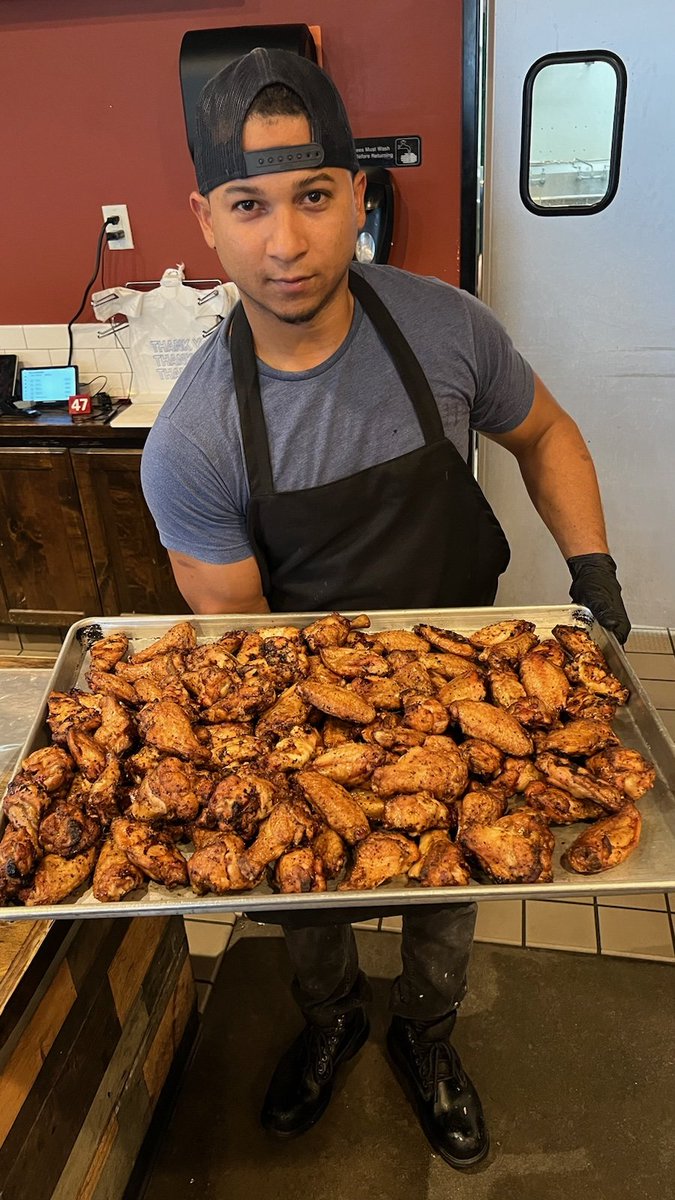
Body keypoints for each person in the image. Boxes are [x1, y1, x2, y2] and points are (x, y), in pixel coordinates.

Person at [141, 47, 630, 1169]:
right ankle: (331, 1021)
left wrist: (593, 573)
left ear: (358, 196)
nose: (285, 242)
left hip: (467, 689)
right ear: (205, 219)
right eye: (248, 205)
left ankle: (425, 1029)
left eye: (314, 196)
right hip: (311, 722)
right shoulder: (198, 440)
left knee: (454, 883)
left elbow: (545, 432)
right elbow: (244, 667)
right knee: (305, 901)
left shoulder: (446, 328)